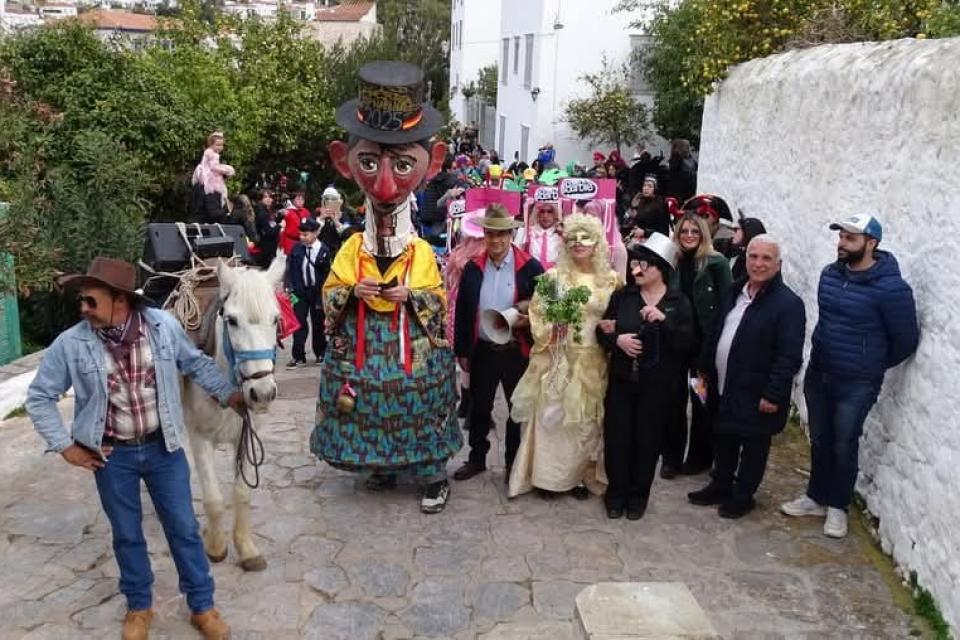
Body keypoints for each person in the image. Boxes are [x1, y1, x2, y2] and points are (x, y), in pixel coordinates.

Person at [25, 257, 243, 640]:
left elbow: (195, 364)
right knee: (127, 534)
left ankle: (202, 606)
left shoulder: (162, 327)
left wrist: (229, 395)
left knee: (184, 530)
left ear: (120, 300)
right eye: (81, 301)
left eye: (91, 301)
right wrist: (64, 446)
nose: (83, 308)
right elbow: (40, 396)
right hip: (112, 458)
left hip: (164, 449)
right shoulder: (71, 344)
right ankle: (139, 607)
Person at [311, 61, 463, 514]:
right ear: (344, 161)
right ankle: (380, 463)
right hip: (366, 348)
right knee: (368, 402)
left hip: (409, 348)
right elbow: (330, 292)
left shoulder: (420, 251)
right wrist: (351, 292)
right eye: (369, 163)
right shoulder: (352, 246)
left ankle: (432, 475)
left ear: (432, 163)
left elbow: (438, 302)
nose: (383, 184)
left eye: (402, 165)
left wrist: (410, 296)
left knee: (420, 400)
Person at [781, 214, 919, 538]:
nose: (841, 243)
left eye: (850, 238)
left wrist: (870, 363)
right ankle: (816, 497)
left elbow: (906, 340)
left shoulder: (892, 289)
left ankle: (838, 506)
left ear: (871, 243)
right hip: (820, 372)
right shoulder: (830, 275)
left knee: (844, 444)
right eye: (841, 237)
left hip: (857, 382)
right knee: (820, 439)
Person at [688, 235, 805, 518]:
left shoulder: (788, 304)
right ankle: (720, 485)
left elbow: (788, 355)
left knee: (753, 445)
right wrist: (705, 365)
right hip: (725, 383)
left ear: (778, 265)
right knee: (724, 437)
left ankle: (743, 496)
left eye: (766, 258)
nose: (758, 263)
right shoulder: (734, 291)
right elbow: (718, 330)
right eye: (753, 256)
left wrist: (773, 394)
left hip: (757, 389)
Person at [509, 214, 619, 499]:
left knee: (584, 421)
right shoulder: (554, 278)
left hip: (593, 360)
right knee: (553, 418)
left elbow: (618, 316)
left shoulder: (610, 281)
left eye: (585, 237)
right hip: (558, 357)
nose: (578, 243)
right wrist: (552, 329)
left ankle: (579, 476)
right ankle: (549, 479)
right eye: (572, 238)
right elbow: (538, 313)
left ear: (597, 243)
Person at [597, 234, 697, 519]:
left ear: (661, 268)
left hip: (658, 387)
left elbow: (688, 343)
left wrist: (664, 322)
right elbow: (601, 332)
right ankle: (615, 494)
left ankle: (638, 496)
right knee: (617, 439)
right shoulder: (623, 296)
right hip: (622, 381)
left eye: (643, 265)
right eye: (634, 263)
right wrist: (617, 340)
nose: (635, 270)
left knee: (647, 441)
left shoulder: (678, 302)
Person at [453, 204, 544, 483]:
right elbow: (463, 310)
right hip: (483, 350)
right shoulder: (472, 268)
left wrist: (529, 319)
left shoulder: (530, 267)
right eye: (491, 234)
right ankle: (476, 458)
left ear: (510, 235)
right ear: (484, 235)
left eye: (502, 234)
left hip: (516, 350)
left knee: (517, 409)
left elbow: (546, 307)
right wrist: (462, 350)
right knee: (480, 408)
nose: (496, 240)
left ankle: (512, 464)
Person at [667, 213, 733, 477]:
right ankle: (671, 458)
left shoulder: (716, 263)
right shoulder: (672, 260)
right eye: (684, 231)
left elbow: (726, 304)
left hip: (702, 347)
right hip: (675, 343)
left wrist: (715, 344)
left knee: (701, 401)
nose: (689, 236)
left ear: (703, 234)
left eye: (695, 231)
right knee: (673, 401)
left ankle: (699, 457)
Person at [285, 218, 332, 368]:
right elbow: (289, 269)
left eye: (305, 234)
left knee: (318, 323)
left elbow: (326, 274)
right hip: (300, 291)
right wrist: (289, 287)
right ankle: (298, 355)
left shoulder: (323, 250)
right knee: (298, 323)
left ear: (315, 233)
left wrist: (322, 296)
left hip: (317, 291)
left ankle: (320, 352)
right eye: (300, 234)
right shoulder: (296, 249)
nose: (302, 237)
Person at [191, 132, 236, 224]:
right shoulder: (212, 155)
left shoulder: (210, 155)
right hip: (209, 183)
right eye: (217, 145)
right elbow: (214, 167)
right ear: (211, 145)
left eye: (221, 145)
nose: (220, 147)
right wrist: (226, 170)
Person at [515, 196, 563, 270]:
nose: (545, 216)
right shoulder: (526, 232)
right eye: (542, 211)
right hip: (532, 274)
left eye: (549, 211)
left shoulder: (561, 234)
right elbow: (516, 255)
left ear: (555, 214)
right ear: (537, 213)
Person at [623, 175, 671, 242]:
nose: (646, 188)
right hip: (638, 238)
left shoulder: (661, 204)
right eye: (644, 185)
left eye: (650, 186)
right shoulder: (641, 201)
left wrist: (645, 232)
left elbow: (664, 232)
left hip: (653, 240)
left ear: (655, 189)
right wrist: (633, 208)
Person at [316, 186, 361, 257]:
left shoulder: (348, 215)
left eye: (333, 199)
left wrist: (336, 222)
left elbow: (349, 235)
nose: (330, 202)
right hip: (321, 253)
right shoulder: (318, 214)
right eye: (327, 199)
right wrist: (321, 218)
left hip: (341, 254)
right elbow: (310, 234)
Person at [728, 216, 767, 281]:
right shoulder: (740, 255)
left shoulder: (751, 260)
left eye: (736, 229)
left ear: (747, 231)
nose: (733, 233)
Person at [252, 189, 281, 269]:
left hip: (270, 246)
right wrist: (280, 226)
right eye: (265, 197)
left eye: (270, 197)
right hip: (265, 248)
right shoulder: (261, 213)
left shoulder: (268, 211)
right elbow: (268, 232)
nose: (268, 199)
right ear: (260, 199)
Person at [667, 139, 697, 204]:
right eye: (686, 147)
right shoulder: (676, 159)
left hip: (689, 193)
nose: (688, 149)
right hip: (679, 193)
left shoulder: (691, 159)